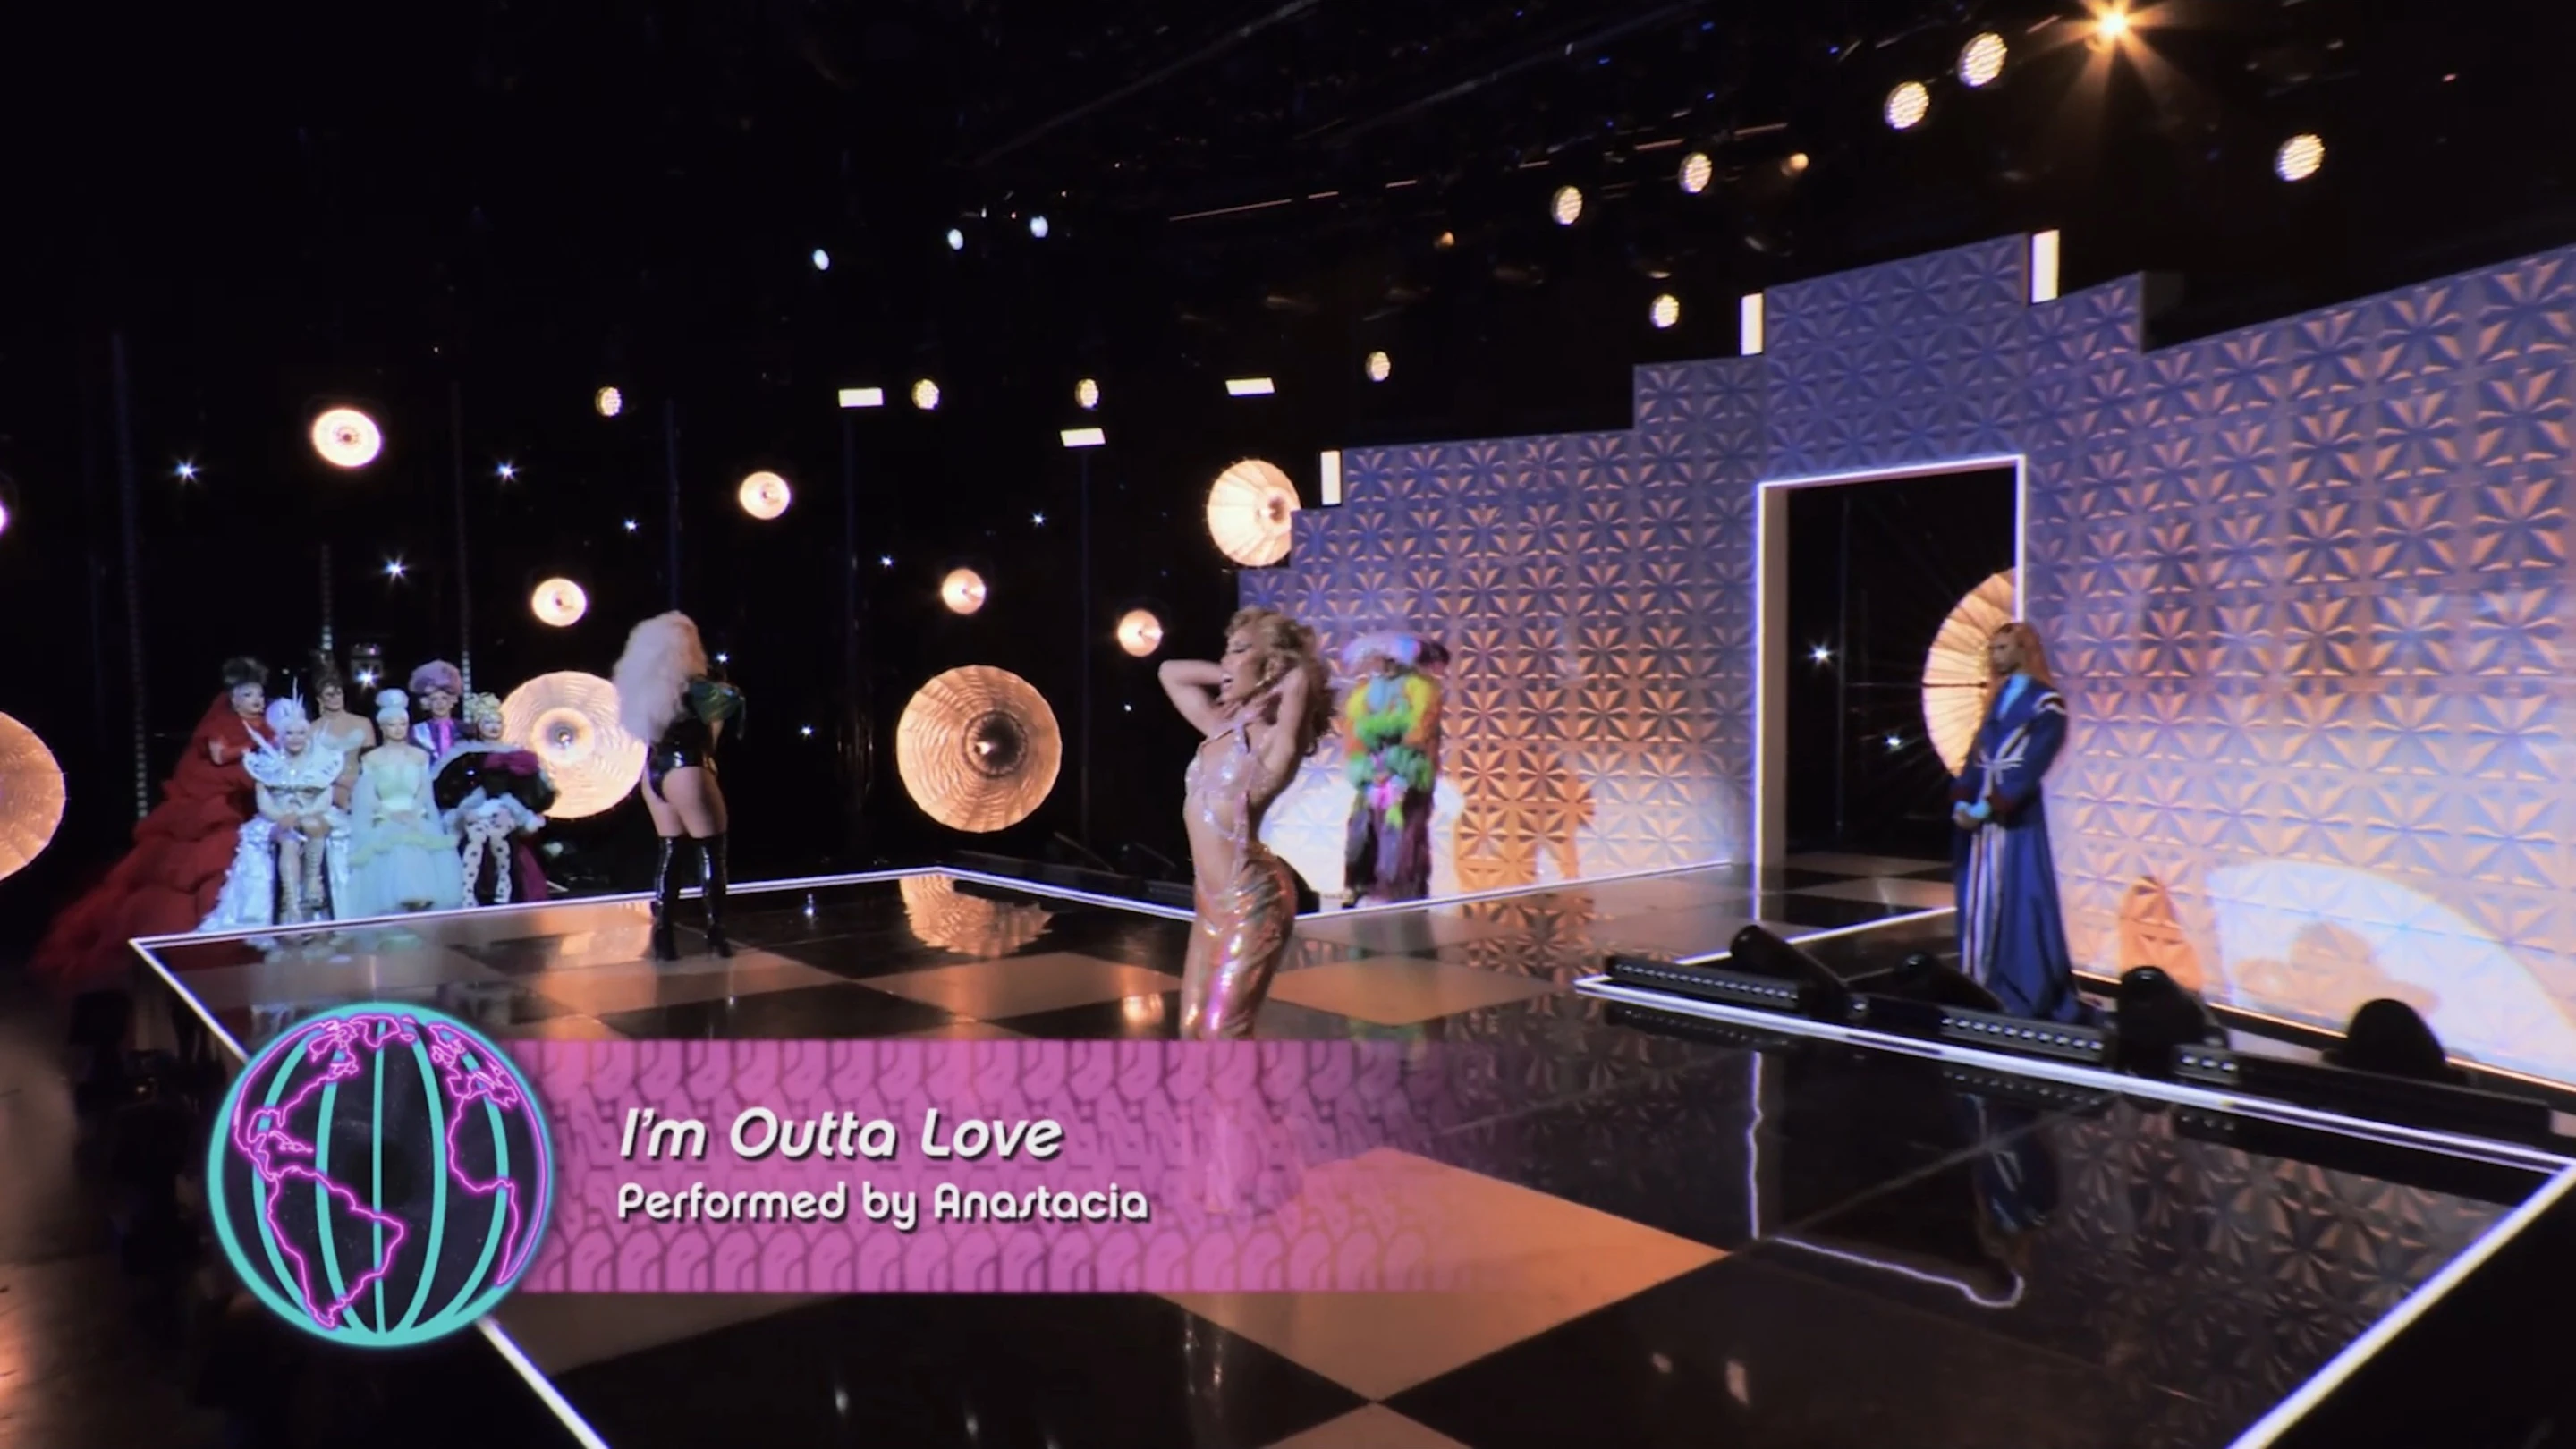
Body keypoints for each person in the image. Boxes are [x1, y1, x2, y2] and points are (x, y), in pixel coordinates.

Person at [30, 658, 276, 992]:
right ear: (234, 699)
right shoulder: (224, 723)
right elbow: (219, 755)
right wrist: (252, 745)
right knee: (207, 857)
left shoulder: (267, 726)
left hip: (247, 801)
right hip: (211, 799)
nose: (256, 701)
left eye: (259, 695)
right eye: (248, 695)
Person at [1157, 607, 1333, 1039]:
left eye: (1238, 650)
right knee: (1192, 1031)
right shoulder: (1218, 727)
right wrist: (1233, 671)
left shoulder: (1276, 744)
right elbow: (1169, 671)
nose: (1226, 661)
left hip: (1254, 900)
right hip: (1209, 904)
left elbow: (1300, 678)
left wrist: (1270, 679)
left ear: (1270, 665)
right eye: (1226, 651)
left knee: (1224, 1033)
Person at [1950, 621, 2080, 1022]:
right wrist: (1963, 796)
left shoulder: (2046, 703)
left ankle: (2021, 986)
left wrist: (1993, 804)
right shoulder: (1997, 697)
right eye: (1993, 648)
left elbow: (2034, 760)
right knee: (1977, 896)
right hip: (1981, 817)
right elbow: (1977, 753)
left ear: (2024, 650)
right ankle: (1978, 978)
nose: (1995, 655)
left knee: (2021, 897)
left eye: (2003, 647)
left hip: (2015, 817)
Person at [614, 612, 743, 961]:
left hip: (654, 772)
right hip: (687, 768)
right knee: (711, 851)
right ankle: (716, 933)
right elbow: (732, 703)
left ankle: (664, 935)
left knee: (670, 852)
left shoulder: (642, 688)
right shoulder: (698, 687)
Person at [202, 695, 352, 929]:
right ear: (281, 736)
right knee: (289, 839)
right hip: (277, 818)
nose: (295, 738)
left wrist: (301, 814)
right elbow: (264, 802)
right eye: (289, 733)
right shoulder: (266, 763)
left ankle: (313, 884)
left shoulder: (319, 763)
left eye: (301, 733)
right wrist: (281, 817)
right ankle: (291, 905)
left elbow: (324, 799)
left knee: (314, 825)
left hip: (311, 814)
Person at [1338, 631, 1446, 907]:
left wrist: (1395, 765)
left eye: (1388, 660)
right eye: (1377, 660)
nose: (1382, 665)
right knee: (1363, 831)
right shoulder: (1363, 692)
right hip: (1372, 773)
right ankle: (1360, 885)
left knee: (1401, 835)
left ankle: (1399, 893)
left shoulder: (1421, 688)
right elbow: (1354, 734)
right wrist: (1367, 770)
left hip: (1406, 772)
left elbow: (1419, 732)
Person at [346, 691, 463, 918]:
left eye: (402, 724)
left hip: (415, 813)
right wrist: (389, 814)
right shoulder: (372, 759)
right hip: (385, 815)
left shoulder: (419, 756)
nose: (398, 729)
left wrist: (415, 812)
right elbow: (368, 797)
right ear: (383, 727)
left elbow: (424, 792)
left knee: (417, 838)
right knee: (396, 841)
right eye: (392, 724)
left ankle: (422, 901)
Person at [432, 692, 555, 906]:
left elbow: (534, 792)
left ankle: (505, 886)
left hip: (508, 819)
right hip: (475, 818)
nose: (494, 727)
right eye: (488, 722)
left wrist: (515, 810)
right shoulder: (463, 755)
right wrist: (464, 811)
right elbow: (448, 789)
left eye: (498, 722)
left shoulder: (517, 755)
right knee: (475, 842)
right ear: (479, 726)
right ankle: (469, 892)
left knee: (504, 843)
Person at [309, 653, 378, 811]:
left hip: (360, 782)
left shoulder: (363, 723)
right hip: (328, 785)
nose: (335, 698)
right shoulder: (313, 729)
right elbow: (311, 766)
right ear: (320, 699)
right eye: (329, 695)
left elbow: (371, 760)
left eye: (339, 693)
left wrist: (359, 783)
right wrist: (338, 782)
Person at [408, 660, 467, 759]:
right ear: (427, 703)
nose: (440, 703)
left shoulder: (466, 730)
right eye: (434, 699)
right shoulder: (416, 732)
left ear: (453, 701)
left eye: (444, 698)